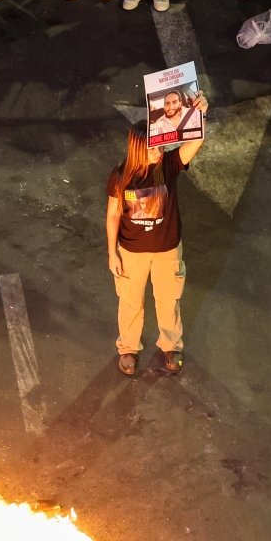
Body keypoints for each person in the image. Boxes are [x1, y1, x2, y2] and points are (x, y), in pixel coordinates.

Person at [107, 101, 207, 377]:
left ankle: (171, 345)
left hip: (167, 251)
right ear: (138, 148)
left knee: (168, 300)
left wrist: (198, 114)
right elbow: (113, 215)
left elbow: (196, 142)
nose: (159, 150)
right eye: (153, 146)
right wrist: (112, 253)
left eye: (161, 144)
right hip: (132, 252)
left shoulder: (170, 165)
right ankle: (128, 348)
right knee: (130, 301)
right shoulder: (120, 177)